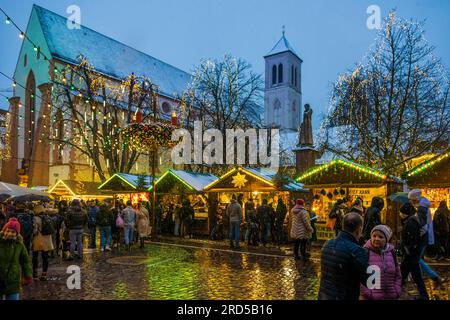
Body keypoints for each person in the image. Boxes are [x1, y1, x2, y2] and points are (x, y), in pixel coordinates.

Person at [318, 213, 369, 300]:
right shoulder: (357, 250)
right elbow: (371, 282)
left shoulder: (327, 244)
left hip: (324, 295)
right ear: (359, 229)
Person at [408, 189, 445, 285]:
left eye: (411, 199)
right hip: (423, 238)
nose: (410, 202)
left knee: (416, 259)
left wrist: (416, 236)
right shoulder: (422, 207)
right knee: (416, 259)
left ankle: (432, 277)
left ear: (415, 199)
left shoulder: (422, 209)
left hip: (421, 238)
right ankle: (422, 277)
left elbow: (423, 226)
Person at [359, 225, 402, 300]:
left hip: (390, 296)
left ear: (386, 240)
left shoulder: (392, 252)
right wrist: (368, 294)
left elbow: (398, 275)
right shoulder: (365, 252)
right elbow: (360, 275)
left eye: (380, 237)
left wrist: (397, 291)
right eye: (374, 236)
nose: (376, 239)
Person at [399, 202, 429, 300]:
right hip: (412, 254)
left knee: (402, 275)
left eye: (401, 212)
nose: (399, 214)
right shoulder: (411, 220)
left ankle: (393, 292)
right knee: (415, 276)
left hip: (410, 254)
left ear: (405, 213)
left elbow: (412, 239)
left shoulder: (411, 222)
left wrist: (408, 249)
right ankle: (424, 295)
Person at [0, 218, 33, 300]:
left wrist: (27, 275)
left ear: (17, 234)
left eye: (13, 232)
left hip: (13, 280)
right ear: (4, 230)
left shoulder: (19, 245)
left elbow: (25, 261)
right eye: (8, 230)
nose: (9, 233)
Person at [31, 204, 54, 281]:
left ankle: (35, 274)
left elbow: (34, 230)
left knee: (35, 257)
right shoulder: (48, 217)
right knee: (45, 257)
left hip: (38, 239)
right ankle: (44, 274)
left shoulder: (35, 218)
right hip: (47, 239)